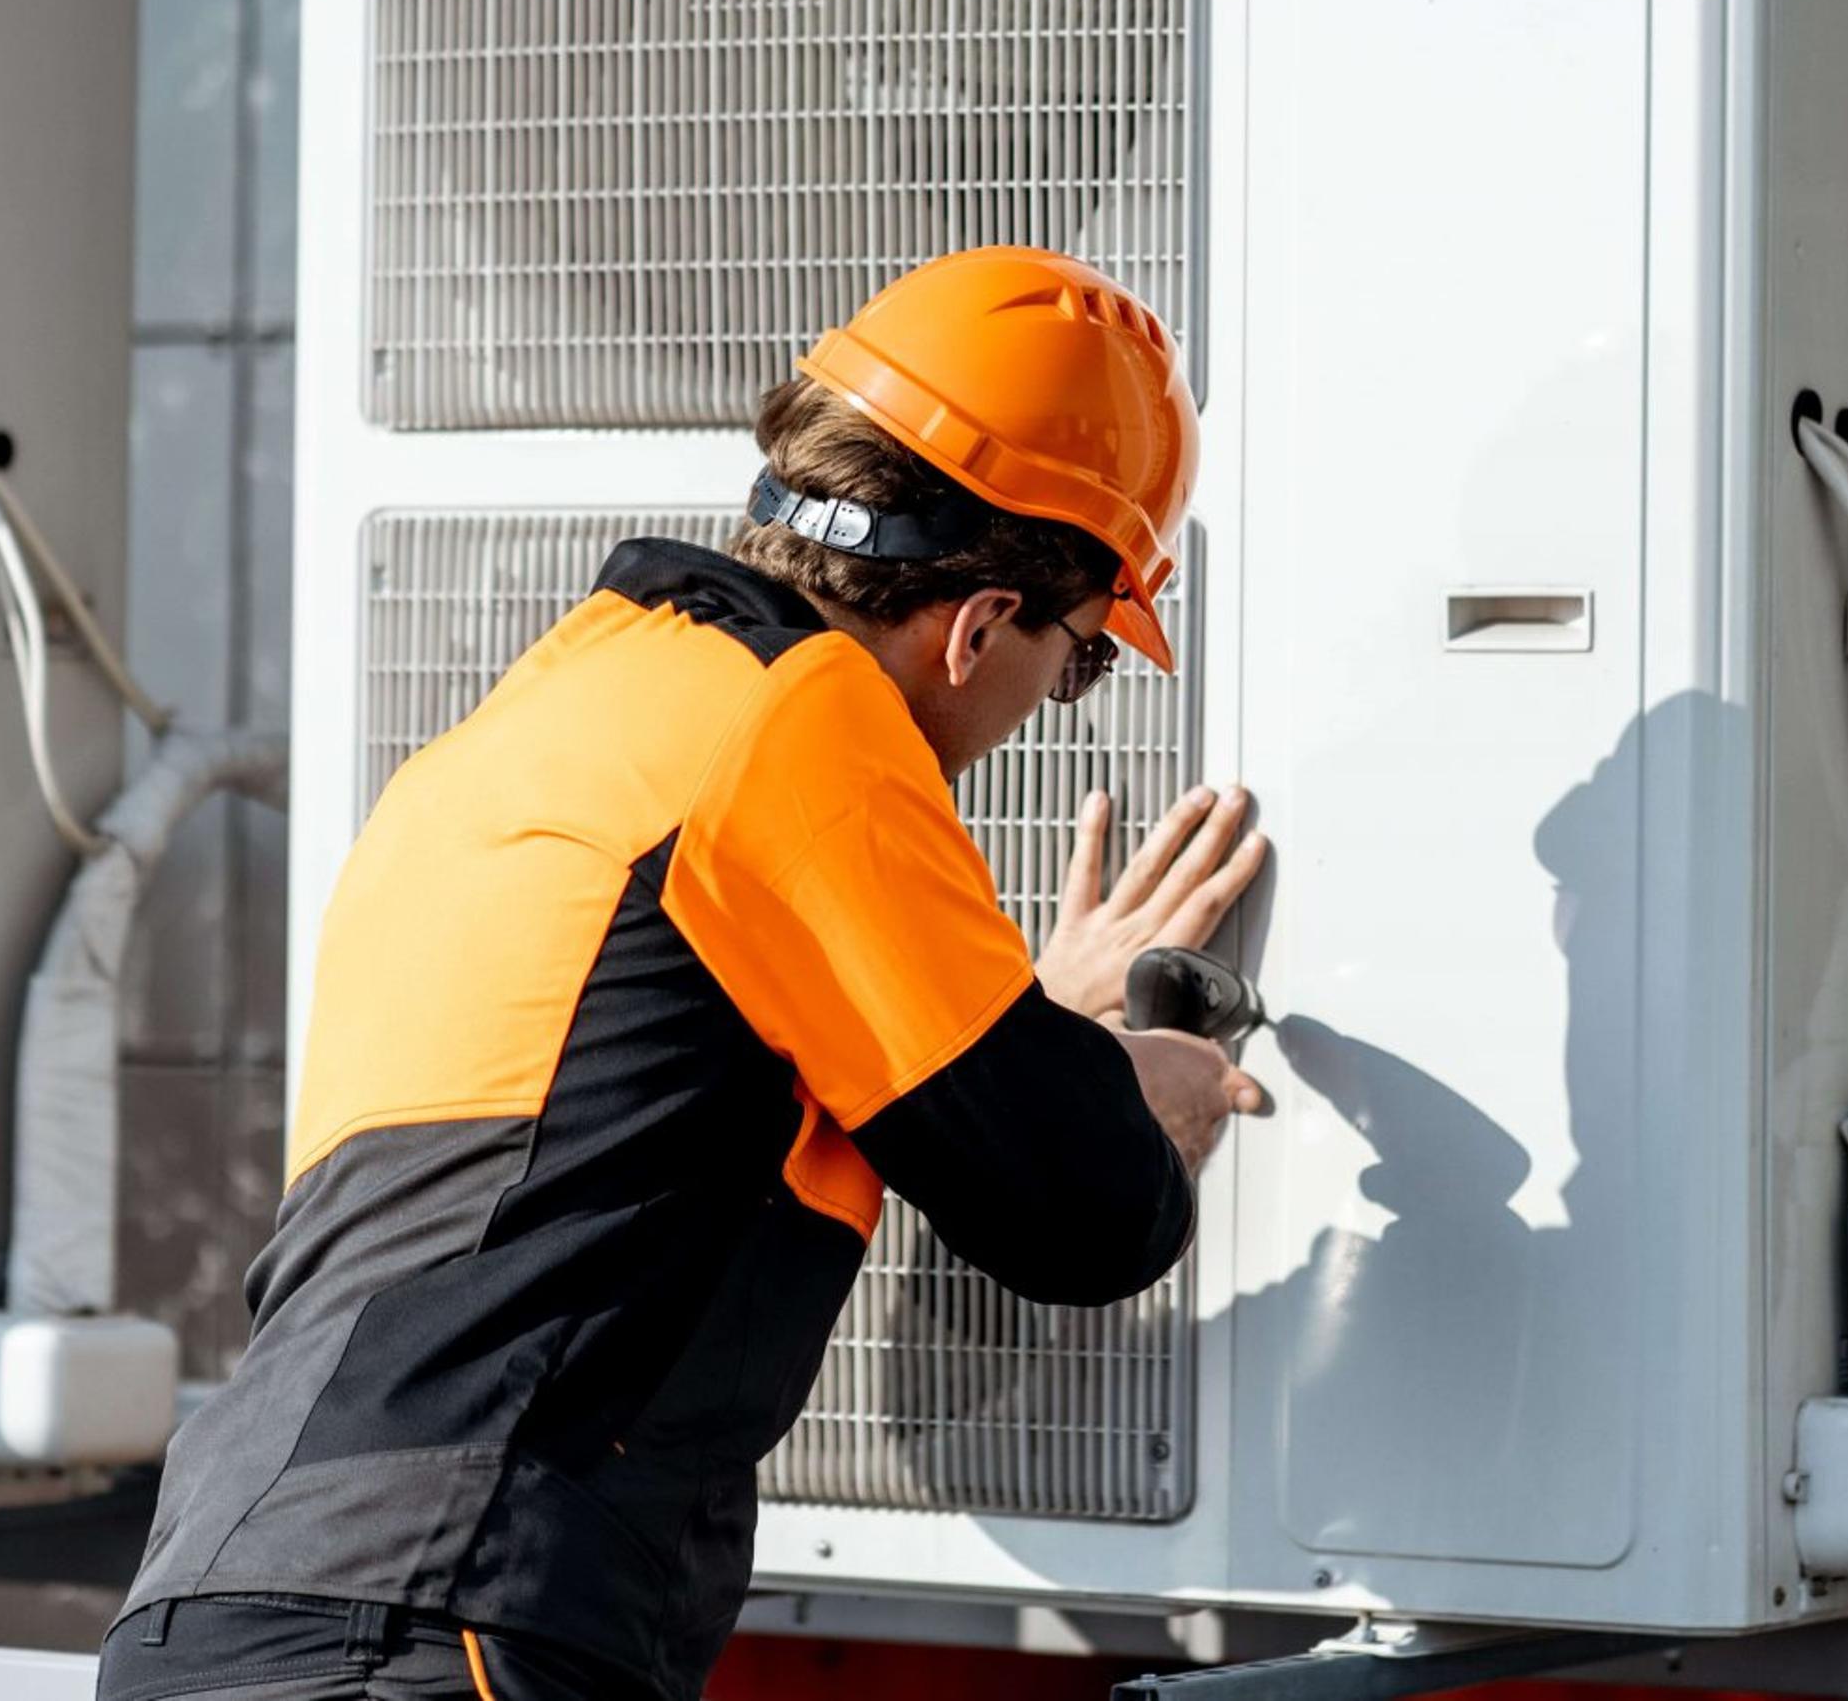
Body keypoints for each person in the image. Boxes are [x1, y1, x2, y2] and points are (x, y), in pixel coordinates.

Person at [101, 245, 1271, 1701]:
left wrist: (1041, 1035)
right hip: (440, 1621)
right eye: (1082, 659)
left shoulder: (542, 722)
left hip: (215, 1610)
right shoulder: (803, 718)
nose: (1054, 703)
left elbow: (636, 1108)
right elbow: (1085, 1213)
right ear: (980, 626)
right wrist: (1131, 1077)